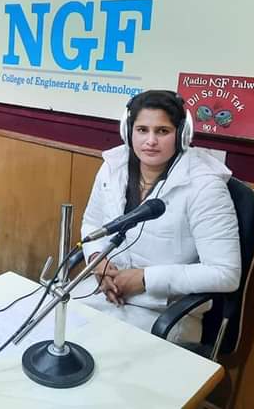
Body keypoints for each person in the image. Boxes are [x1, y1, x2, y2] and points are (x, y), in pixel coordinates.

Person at [77, 90, 241, 342]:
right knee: (54, 334)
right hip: (104, 294)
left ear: (182, 134)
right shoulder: (113, 167)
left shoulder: (205, 186)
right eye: (142, 130)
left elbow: (225, 273)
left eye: (162, 131)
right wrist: (97, 261)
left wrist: (145, 279)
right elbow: (92, 223)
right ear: (128, 131)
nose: (150, 141)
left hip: (165, 312)